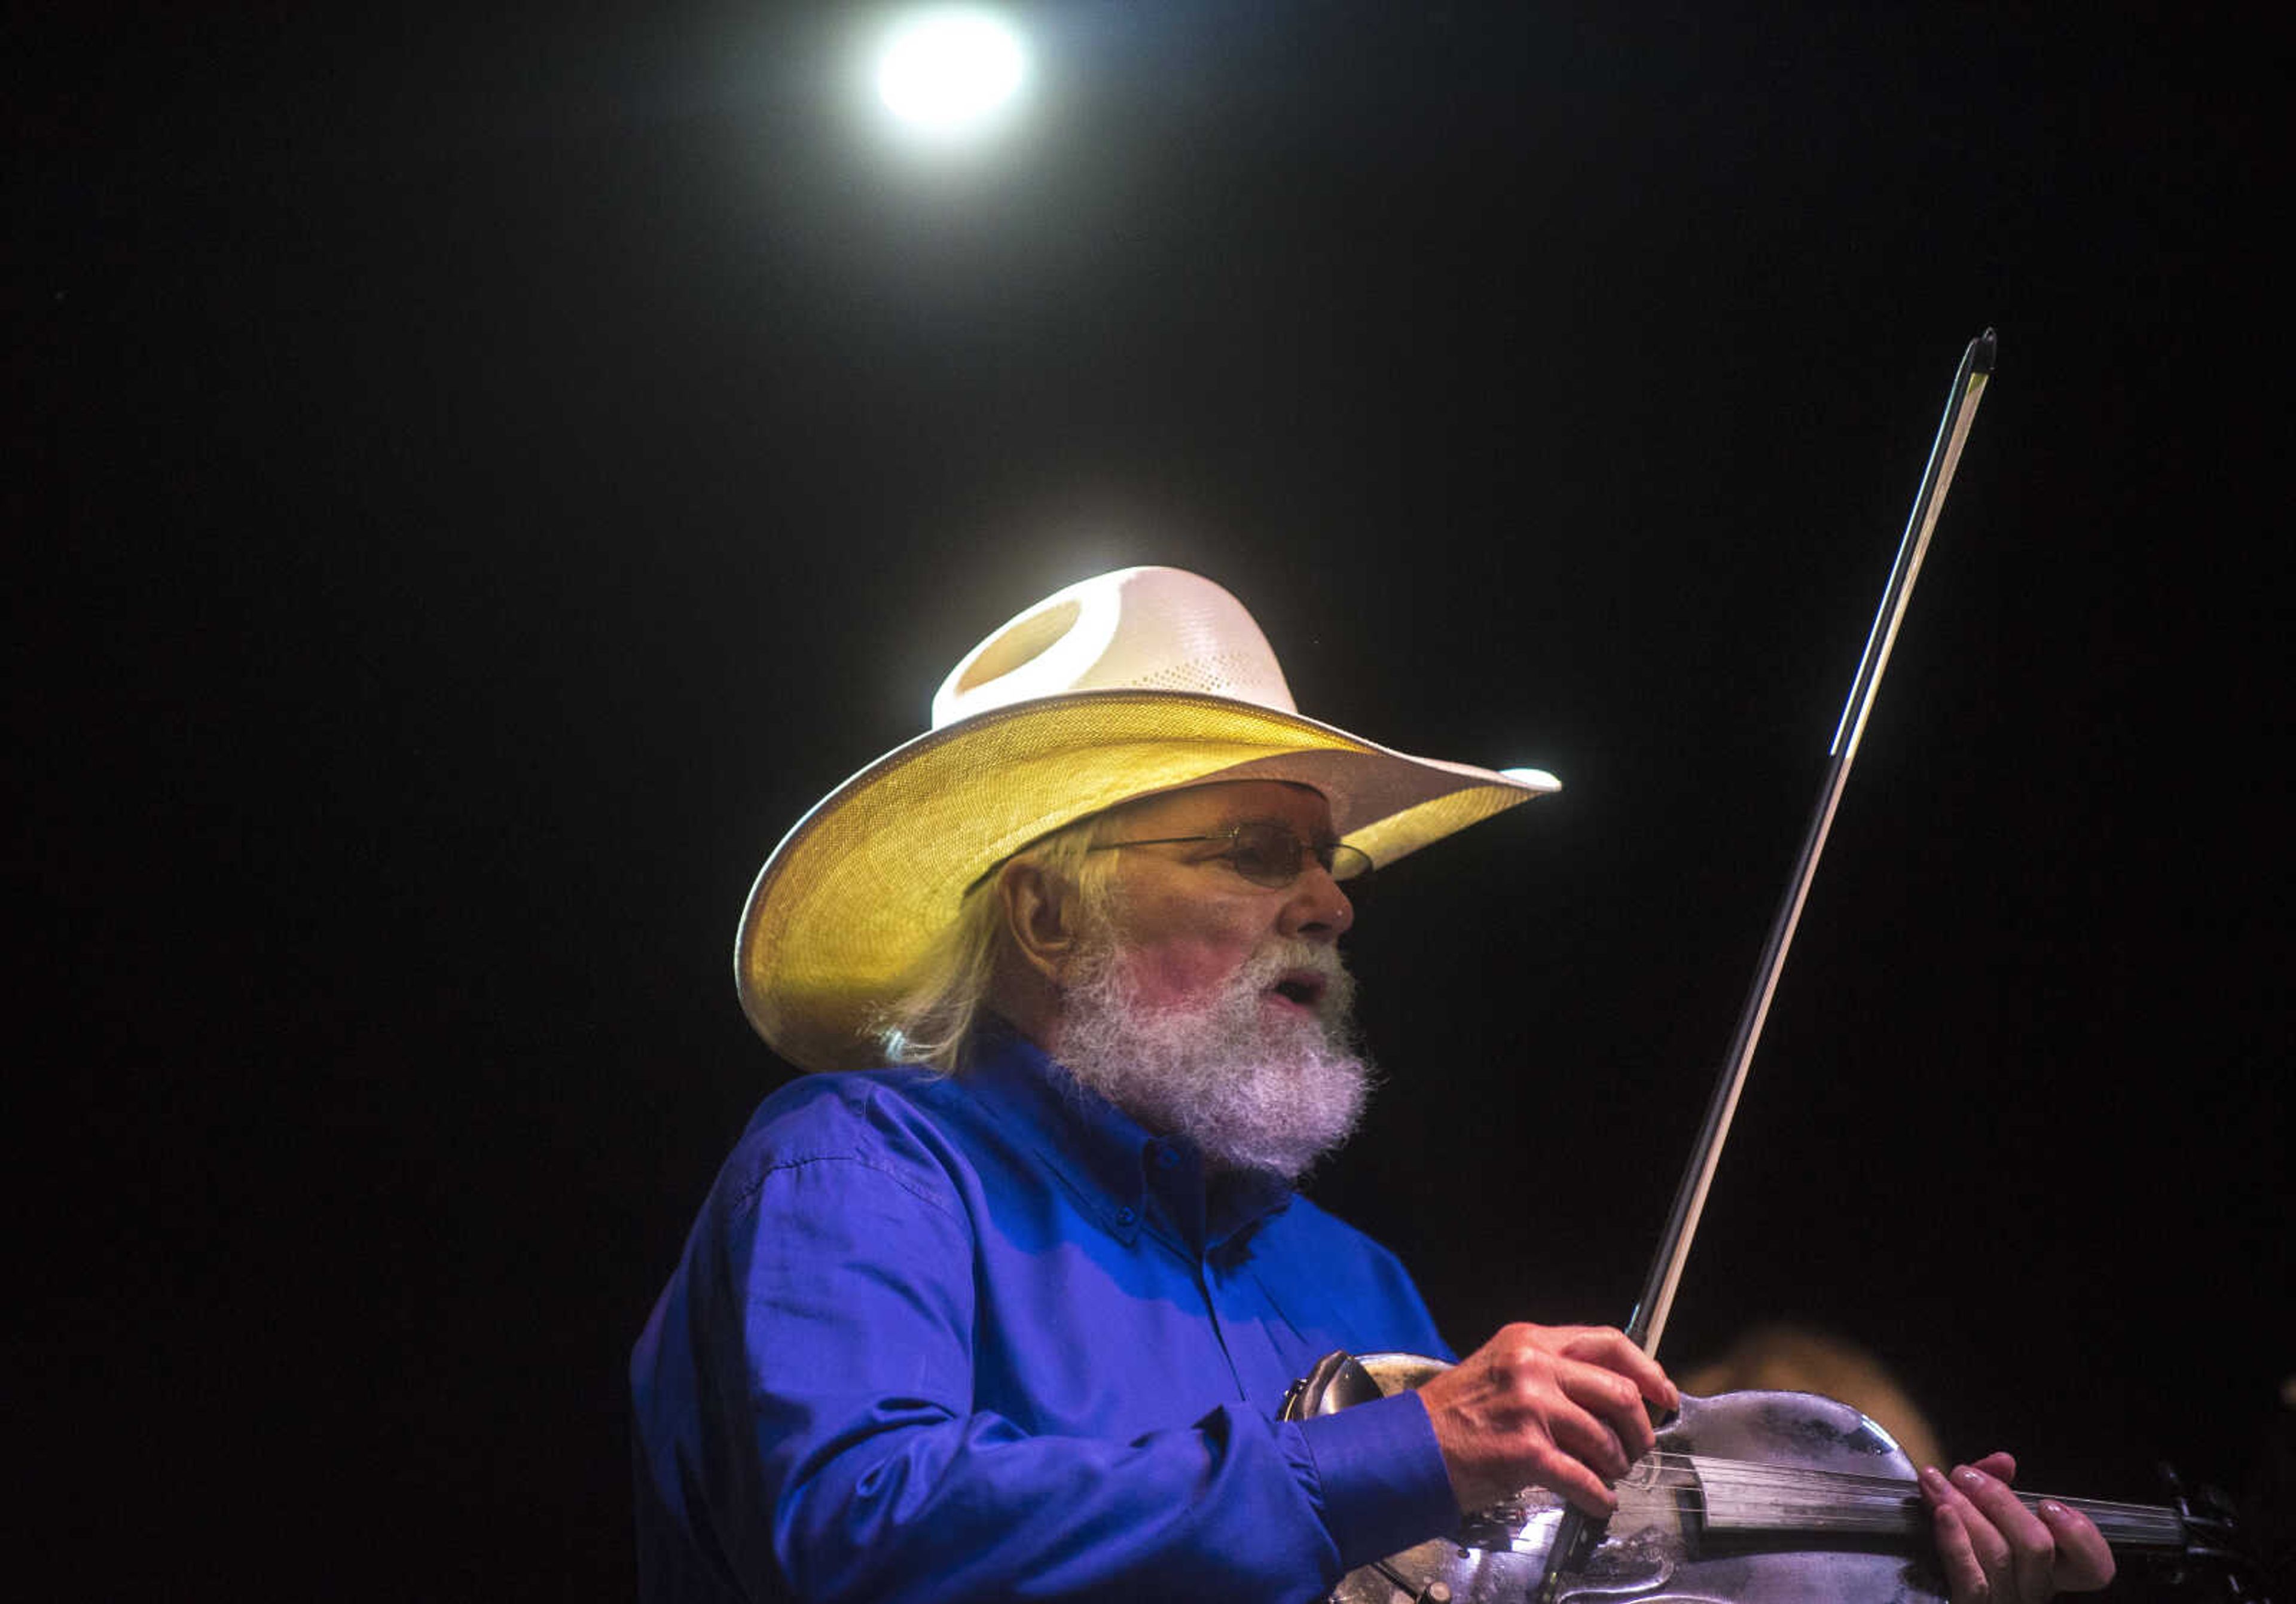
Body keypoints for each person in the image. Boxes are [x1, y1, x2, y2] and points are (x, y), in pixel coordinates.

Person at [631, 566, 2113, 1603]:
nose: (1332, 906)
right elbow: (860, 1537)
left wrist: (1886, 1578)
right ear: (1046, 911)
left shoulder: (1354, 1284)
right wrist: (1402, 1452)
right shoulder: (864, 1168)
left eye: (1328, 862)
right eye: (1259, 852)